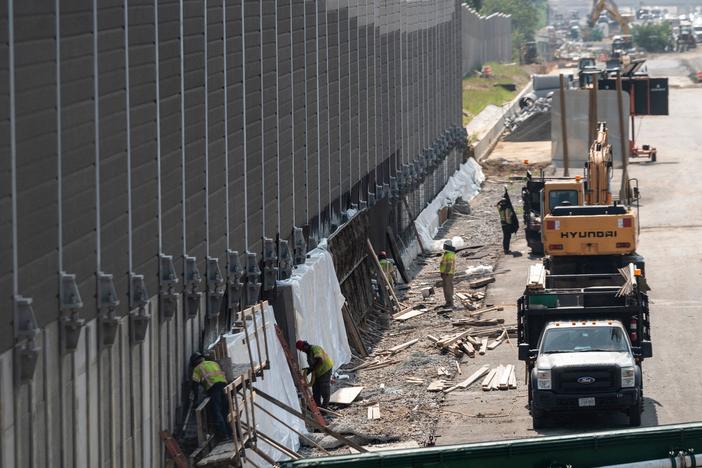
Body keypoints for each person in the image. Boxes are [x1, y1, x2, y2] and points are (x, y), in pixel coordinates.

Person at [190, 352, 233, 441]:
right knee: (225, 412)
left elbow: (195, 386)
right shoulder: (213, 363)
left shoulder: (197, 369)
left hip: (214, 388)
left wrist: (195, 401)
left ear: (194, 362)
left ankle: (224, 436)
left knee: (217, 411)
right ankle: (231, 434)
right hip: (225, 387)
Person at [296, 340, 334, 408]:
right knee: (316, 389)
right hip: (318, 371)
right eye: (301, 350)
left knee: (324, 388)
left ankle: (325, 407)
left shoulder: (315, 348)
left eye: (302, 349)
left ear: (305, 345)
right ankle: (317, 406)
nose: (303, 351)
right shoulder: (309, 352)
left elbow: (320, 360)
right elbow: (313, 364)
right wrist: (308, 370)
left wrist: (311, 369)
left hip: (325, 369)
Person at [439, 241, 457, 308]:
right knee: (446, 288)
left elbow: (449, 265)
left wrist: (445, 273)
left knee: (448, 289)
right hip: (446, 273)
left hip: (448, 274)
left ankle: (450, 303)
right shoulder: (447, 253)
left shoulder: (450, 254)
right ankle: (448, 302)